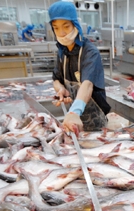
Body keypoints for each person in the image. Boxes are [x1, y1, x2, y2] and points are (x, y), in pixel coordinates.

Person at [48, 1, 111, 134]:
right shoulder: (62, 52)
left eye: (66, 26)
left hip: (95, 121)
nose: (62, 33)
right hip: (72, 120)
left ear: (75, 25)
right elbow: (56, 79)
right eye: (56, 28)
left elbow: (87, 85)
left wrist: (74, 111)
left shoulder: (90, 52)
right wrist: (60, 89)